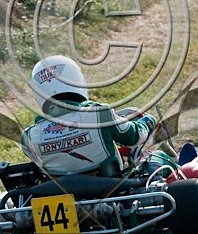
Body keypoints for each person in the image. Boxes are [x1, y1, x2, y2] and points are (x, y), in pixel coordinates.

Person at [21, 55, 156, 177]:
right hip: (112, 190)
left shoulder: (29, 137)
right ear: (75, 79)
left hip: (59, 193)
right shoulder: (99, 115)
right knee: (158, 159)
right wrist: (147, 122)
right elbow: (134, 137)